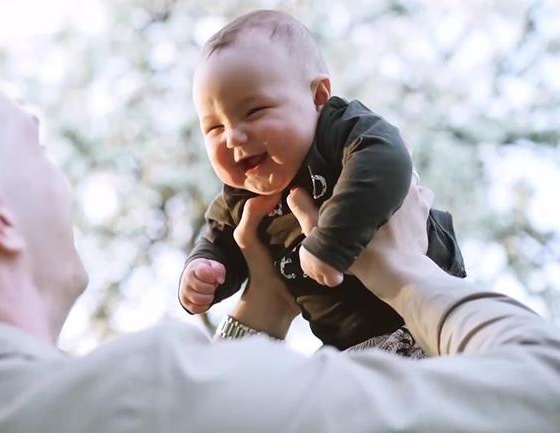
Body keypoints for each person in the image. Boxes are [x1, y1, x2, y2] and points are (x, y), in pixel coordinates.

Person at [0, 54, 559, 433]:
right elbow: (538, 394)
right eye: (37, 148)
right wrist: (407, 274)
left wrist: (257, 312)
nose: (59, 183)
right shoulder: (147, 395)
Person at [179, 10, 466, 351]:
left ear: (317, 97)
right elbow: (218, 239)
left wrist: (332, 242)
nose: (233, 137)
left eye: (254, 112)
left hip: (421, 314)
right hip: (348, 347)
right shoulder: (238, 199)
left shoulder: (336, 132)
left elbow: (385, 156)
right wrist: (202, 271)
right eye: (215, 128)